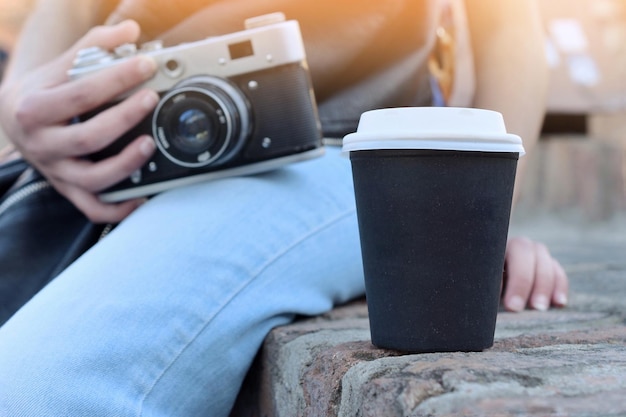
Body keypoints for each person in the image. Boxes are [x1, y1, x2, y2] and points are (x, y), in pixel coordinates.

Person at [0, 0, 568, 415]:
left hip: (338, 144)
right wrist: (20, 99)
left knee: (40, 392)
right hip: (110, 158)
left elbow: (504, 20)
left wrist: (467, 215)